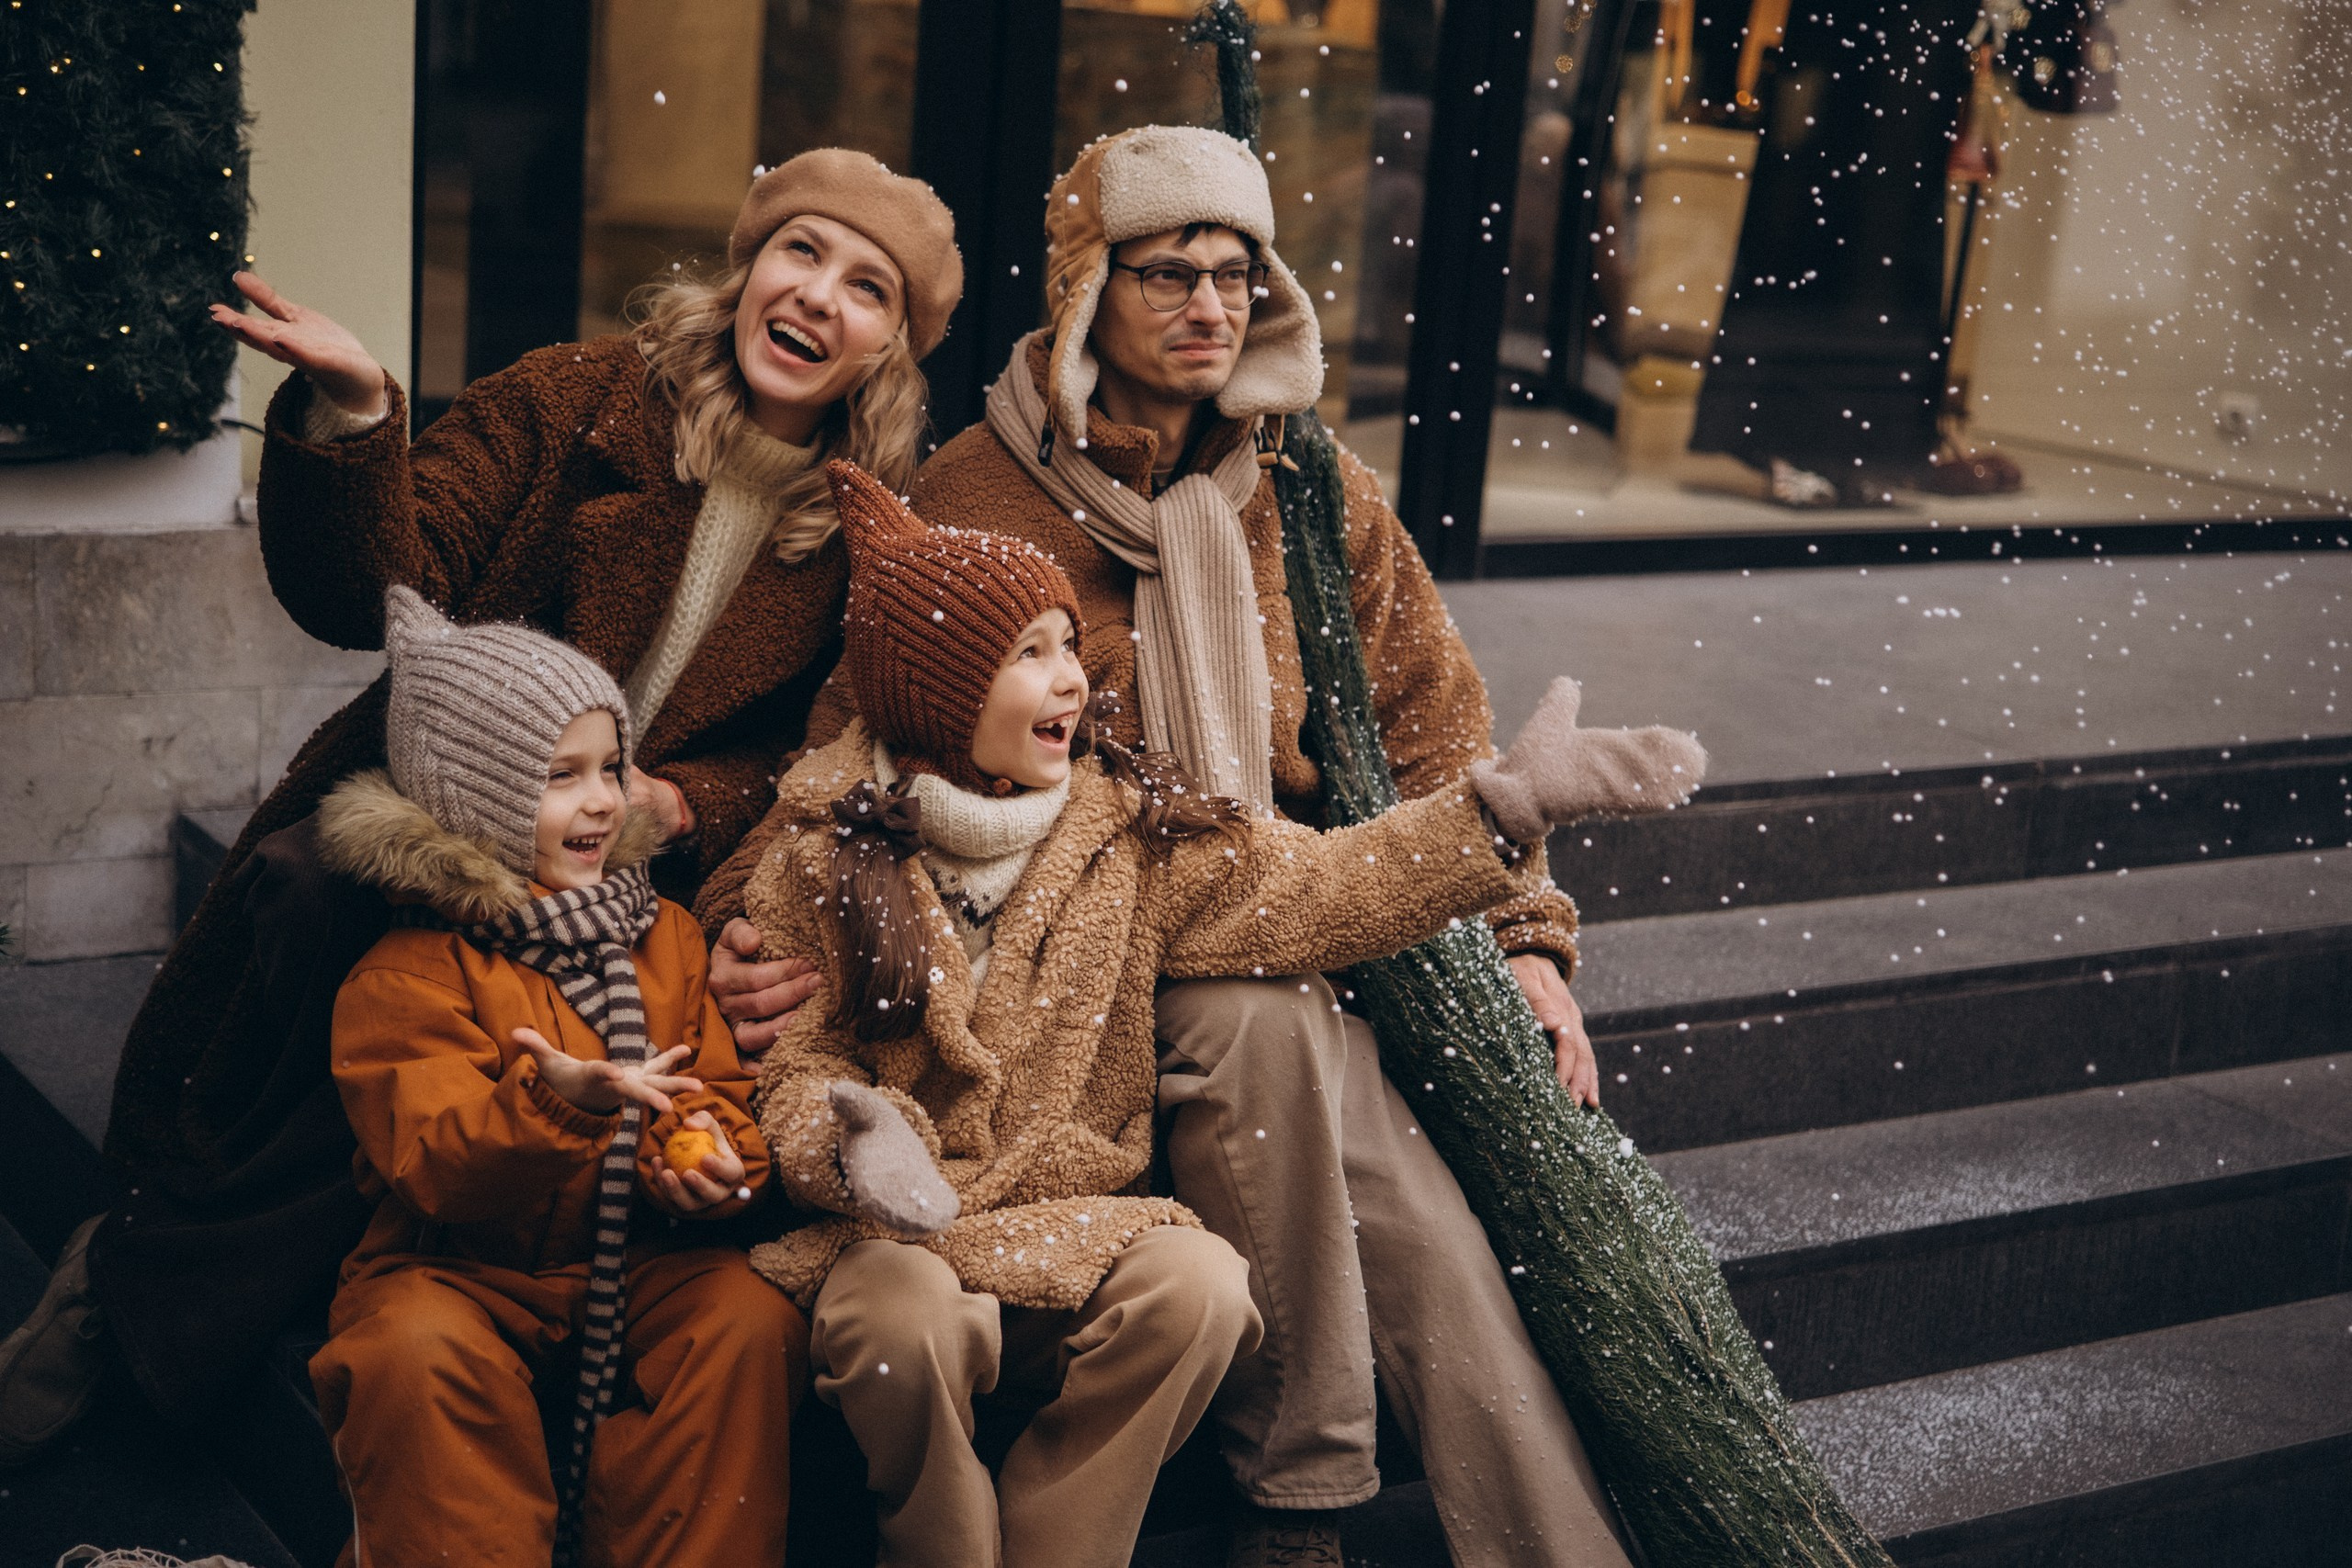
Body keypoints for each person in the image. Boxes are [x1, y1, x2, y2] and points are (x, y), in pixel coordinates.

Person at [703, 123, 1635, 1568]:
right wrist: (745, 926)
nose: (1213, 307)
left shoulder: (1310, 494)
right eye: (1170, 274)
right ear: (1087, 289)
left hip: (1296, 901)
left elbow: (1437, 717)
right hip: (1084, 943)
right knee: (1259, 1023)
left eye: (1240, 276)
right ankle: (1302, 1495)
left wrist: (1528, 939)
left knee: (1415, 1204)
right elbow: (852, 738)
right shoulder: (975, 493)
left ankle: (1552, 1550)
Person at [0, 149, 959, 1461]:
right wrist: (353, 417)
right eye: (802, 251)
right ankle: (140, 1297)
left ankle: (135, 1294)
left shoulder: (864, 525)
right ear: (749, 266)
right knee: (326, 923)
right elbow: (378, 588)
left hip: (631, 877)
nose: (819, 297)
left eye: (869, 289)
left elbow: (816, 749)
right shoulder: (576, 400)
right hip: (438, 820)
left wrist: (681, 803)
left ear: (891, 350)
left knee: (506, 1095)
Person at [308, 588, 794, 1567]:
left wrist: (707, 1166)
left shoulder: (668, 935)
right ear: (476, 802)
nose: (604, 800)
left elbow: (713, 1092)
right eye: (560, 777)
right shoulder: (407, 972)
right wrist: (551, 1104)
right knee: (411, 1353)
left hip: (641, 1254)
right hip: (462, 1265)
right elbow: (433, 1163)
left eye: (610, 768)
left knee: (744, 1321)